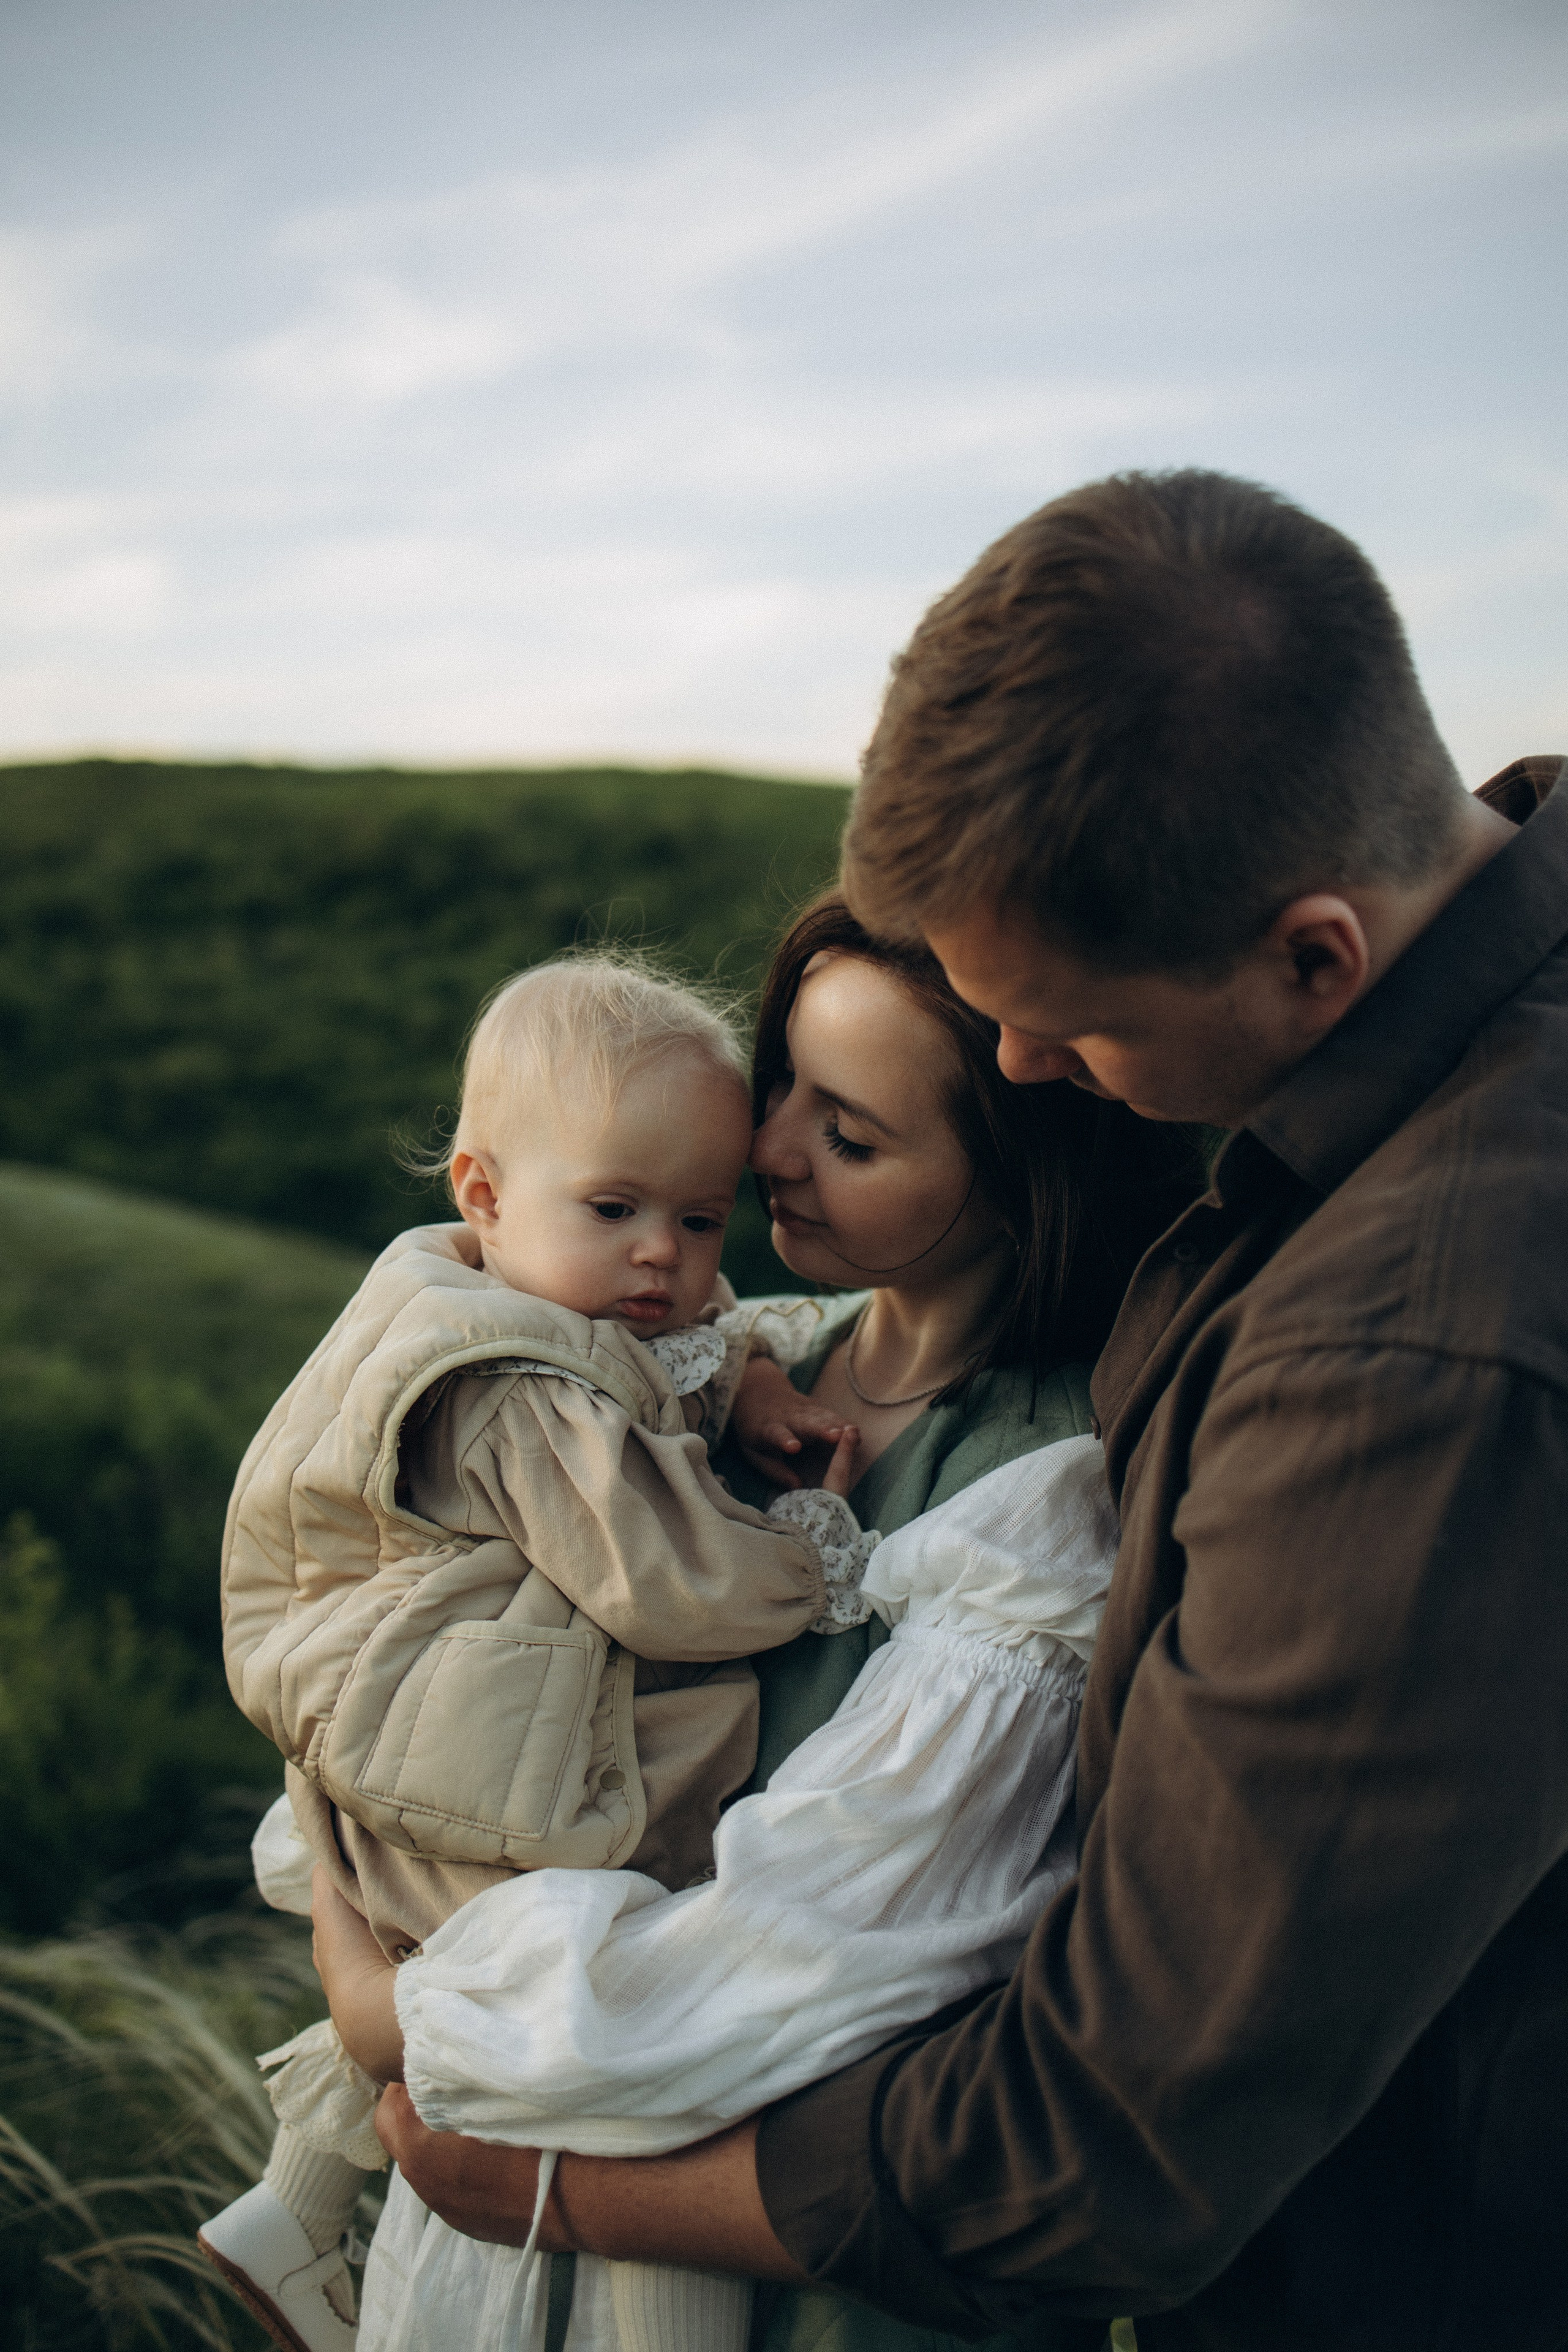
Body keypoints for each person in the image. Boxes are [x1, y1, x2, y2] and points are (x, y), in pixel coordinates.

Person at [341, 471, 1568, 2352]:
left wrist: (546, 2176)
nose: (1026, 1065)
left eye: (1062, 1026)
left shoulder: (1407, 1355)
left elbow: (1120, 2137)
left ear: (1317, 952)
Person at [319, 896, 1199, 2352]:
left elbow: (802, 1953)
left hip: (749, 2246)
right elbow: (409, 1651)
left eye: (849, 1135)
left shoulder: (1036, 1496)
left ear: (1017, 1175)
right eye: (781, 1077)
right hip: (521, 2143)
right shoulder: (733, 1358)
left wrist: (395, 2008)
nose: (766, 1146)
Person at [200, 954, 875, 2352]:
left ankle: (294, 2206)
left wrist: (740, 1368)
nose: (664, 1259)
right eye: (615, 1209)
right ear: (485, 1193)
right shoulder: (521, 1392)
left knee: (432, 1952)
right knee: (626, 2049)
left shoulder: (504, 1294)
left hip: (427, 1746)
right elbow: (669, 1582)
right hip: (492, 1763)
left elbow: (691, 1335)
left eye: (700, 1218)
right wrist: (815, 1549)